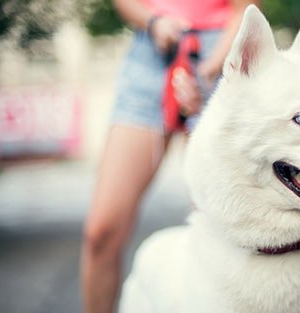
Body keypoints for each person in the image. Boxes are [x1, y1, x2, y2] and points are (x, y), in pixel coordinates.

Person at [80, 1, 260, 312]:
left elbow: (246, 8)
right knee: (101, 232)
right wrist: (153, 22)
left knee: (222, 233)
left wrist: (213, 68)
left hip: (219, 56)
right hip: (150, 51)